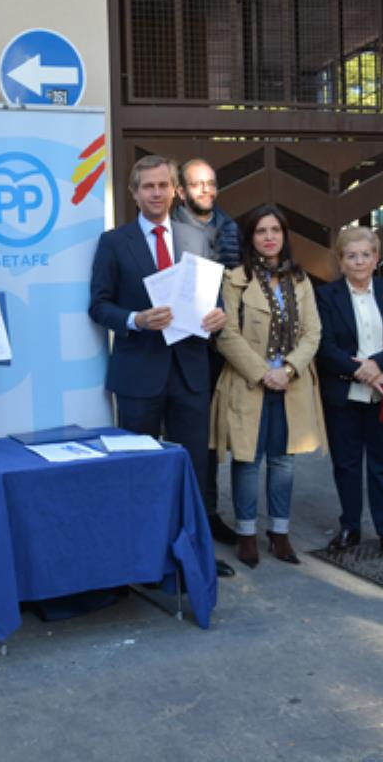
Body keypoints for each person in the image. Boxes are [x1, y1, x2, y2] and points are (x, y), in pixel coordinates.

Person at [89, 155, 235, 578]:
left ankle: (192, 557)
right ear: (133, 193)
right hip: (139, 375)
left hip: (190, 373)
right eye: (147, 187)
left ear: (175, 191)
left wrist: (218, 316)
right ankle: (142, 559)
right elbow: (98, 305)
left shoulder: (197, 238)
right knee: (140, 473)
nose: (156, 193)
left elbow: (215, 299)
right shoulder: (115, 243)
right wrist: (135, 320)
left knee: (193, 470)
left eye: (162, 185)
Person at [211, 205, 326, 568]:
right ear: (250, 238)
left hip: (291, 384)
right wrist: (264, 373)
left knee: (283, 460)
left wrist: (288, 369)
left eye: (275, 230)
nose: (269, 237)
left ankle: (279, 532)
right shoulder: (235, 279)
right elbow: (225, 334)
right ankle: (246, 534)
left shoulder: (300, 280)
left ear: (284, 235)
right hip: (250, 383)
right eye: (261, 231)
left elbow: (313, 332)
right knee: (247, 460)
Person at [315, 226, 383, 563]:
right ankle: (350, 526)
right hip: (344, 393)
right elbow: (324, 345)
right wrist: (360, 370)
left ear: (376, 257)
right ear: (341, 261)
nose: (359, 262)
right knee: (346, 464)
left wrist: (377, 364)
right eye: (351, 256)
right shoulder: (326, 296)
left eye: (366, 255)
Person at [171, 157, 242, 546]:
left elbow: (235, 283)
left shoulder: (229, 227)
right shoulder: (169, 229)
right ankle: (184, 520)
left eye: (211, 184)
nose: (206, 191)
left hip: (221, 346)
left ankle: (210, 513)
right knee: (184, 439)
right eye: (197, 185)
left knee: (212, 438)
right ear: (181, 191)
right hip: (179, 347)